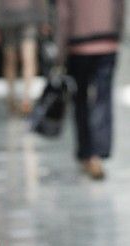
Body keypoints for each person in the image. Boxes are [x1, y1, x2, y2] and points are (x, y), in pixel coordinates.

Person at [56, 0, 125, 180]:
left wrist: (60, 52)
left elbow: (64, 15)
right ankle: (98, 153)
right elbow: (119, 7)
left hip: (79, 44)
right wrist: (118, 31)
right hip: (107, 40)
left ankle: (87, 152)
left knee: (80, 100)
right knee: (103, 97)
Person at [0, 0, 50, 115]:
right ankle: (19, 98)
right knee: (18, 60)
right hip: (14, 18)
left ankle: (21, 98)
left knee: (18, 60)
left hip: (18, 17)